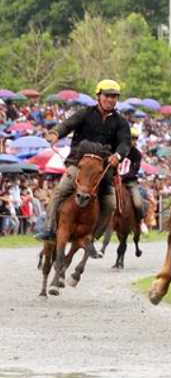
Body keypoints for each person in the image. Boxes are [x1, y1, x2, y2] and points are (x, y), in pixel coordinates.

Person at [35, 79, 130, 254]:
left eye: (114, 96)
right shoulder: (85, 113)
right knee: (60, 190)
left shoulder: (121, 122)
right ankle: (48, 229)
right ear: (98, 96)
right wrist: (56, 132)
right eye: (107, 95)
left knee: (110, 204)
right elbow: (67, 125)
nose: (110, 99)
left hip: (103, 171)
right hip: (78, 165)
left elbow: (125, 144)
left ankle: (91, 238)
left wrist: (118, 155)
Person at [118, 127, 149, 234]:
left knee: (138, 202)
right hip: (114, 179)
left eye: (135, 138)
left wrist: (123, 177)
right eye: (131, 138)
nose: (133, 141)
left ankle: (141, 221)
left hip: (129, 181)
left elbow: (134, 170)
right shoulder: (117, 149)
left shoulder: (137, 154)